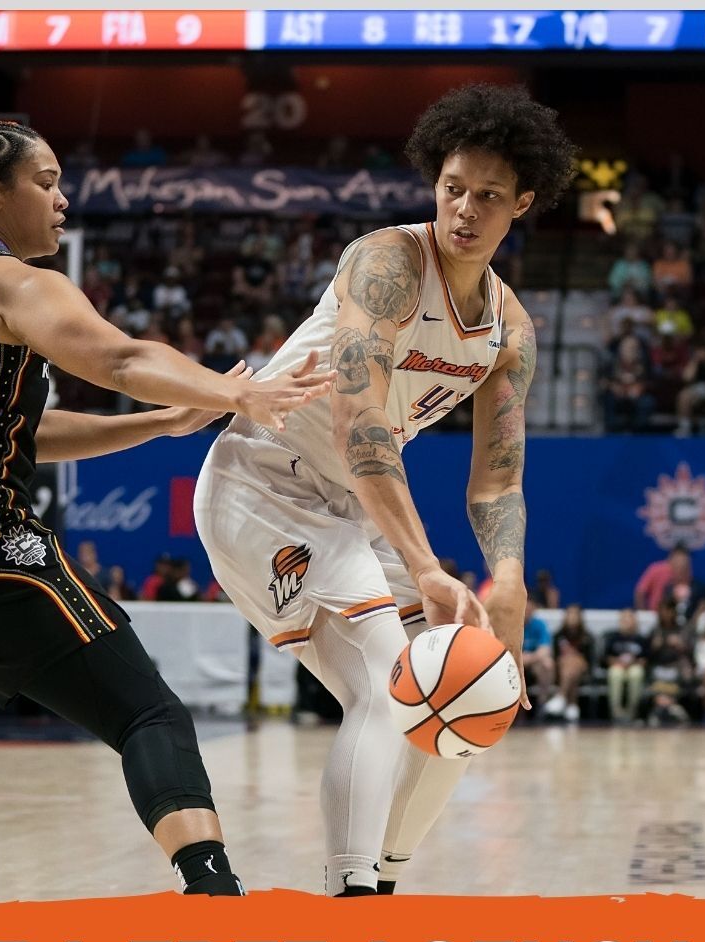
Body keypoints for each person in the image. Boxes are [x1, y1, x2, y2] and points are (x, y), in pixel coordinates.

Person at [0, 121, 333, 903]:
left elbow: (23, 431)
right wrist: (237, 391)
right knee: (147, 711)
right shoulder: (7, 278)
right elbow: (119, 358)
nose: (63, 197)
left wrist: (155, 424)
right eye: (45, 181)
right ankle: (216, 902)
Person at [193, 85, 576, 896]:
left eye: (489, 196)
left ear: (525, 204)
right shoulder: (388, 263)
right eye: (453, 188)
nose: (465, 209)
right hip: (264, 482)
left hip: (351, 512)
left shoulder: (512, 331)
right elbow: (357, 422)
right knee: (384, 676)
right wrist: (427, 564)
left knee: (475, 688)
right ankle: (350, 897)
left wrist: (505, 576)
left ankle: (388, 877)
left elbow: (498, 476)